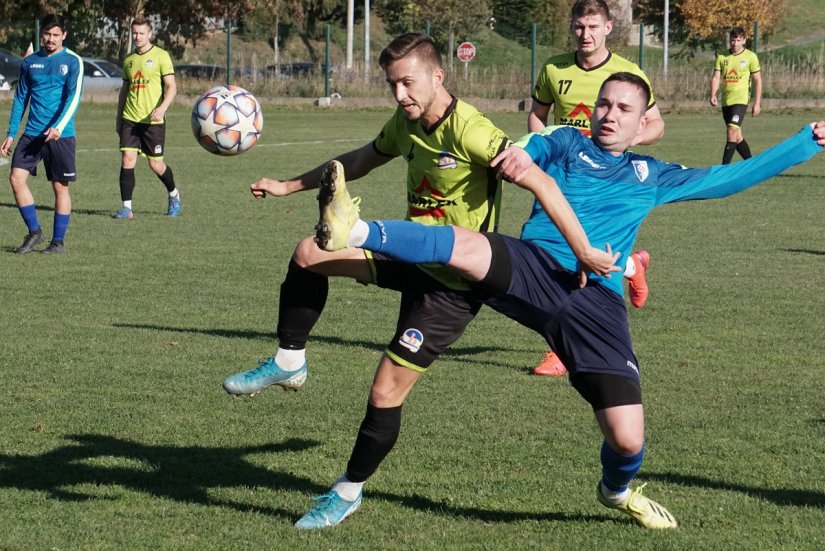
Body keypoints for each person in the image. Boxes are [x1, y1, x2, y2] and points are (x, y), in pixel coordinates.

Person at [314, 72, 825, 529]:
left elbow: (728, 179)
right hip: (536, 268)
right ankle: (355, 227)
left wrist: (806, 141)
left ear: (643, 121)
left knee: (627, 440)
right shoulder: (564, 141)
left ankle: (616, 490)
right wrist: (517, 153)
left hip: (595, 306)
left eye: (624, 109)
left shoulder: (652, 175)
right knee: (466, 247)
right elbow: (524, 150)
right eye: (604, 104)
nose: (609, 115)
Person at [221, 33, 542, 527]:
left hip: (450, 285)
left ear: (438, 76)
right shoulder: (406, 122)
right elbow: (361, 160)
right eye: (392, 85)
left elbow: (535, 175)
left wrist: (574, 245)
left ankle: (348, 492)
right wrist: (288, 185)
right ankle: (289, 360)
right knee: (310, 253)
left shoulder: (472, 130)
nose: (399, 96)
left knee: (384, 392)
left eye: (407, 83)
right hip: (407, 252)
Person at [528, 0, 663, 375]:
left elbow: (655, 125)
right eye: (578, 27)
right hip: (566, 177)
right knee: (552, 251)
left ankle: (561, 349)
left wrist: (622, 144)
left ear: (607, 28)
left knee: (588, 253)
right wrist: (545, 157)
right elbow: (537, 116)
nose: (584, 35)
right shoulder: (554, 68)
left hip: (611, 178)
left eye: (592, 27)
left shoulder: (628, 72)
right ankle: (632, 266)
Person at [1, 14, 83, 254]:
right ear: (41, 35)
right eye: (47, 34)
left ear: (64, 35)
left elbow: (74, 97)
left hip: (61, 134)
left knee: (60, 187)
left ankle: (57, 242)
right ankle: (34, 231)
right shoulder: (29, 63)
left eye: (56, 35)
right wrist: (10, 132)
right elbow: (20, 99)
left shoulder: (73, 61)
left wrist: (58, 126)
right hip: (32, 133)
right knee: (16, 179)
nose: (50, 39)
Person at [113, 17, 180, 219]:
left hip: (153, 121)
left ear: (150, 34)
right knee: (127, 159)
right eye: (134, 33)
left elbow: (172, 87)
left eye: (142, 33)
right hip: (130, 118)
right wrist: (118, 118)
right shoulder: (129, 60)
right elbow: (124, 91)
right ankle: (127, 208)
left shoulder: (161, 56)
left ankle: (174, 194)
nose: (137, 37)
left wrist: (162, 108)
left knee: (156, 165)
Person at [710, 26, 762, 165]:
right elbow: (716, 77)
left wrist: (757, 103)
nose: (735, 43)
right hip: (726, 100)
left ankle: (723, 169)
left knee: (732, 130)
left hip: (741, 100)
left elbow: (757, 80)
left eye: (738, 40)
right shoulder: (721, 56)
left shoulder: (751, 57)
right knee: (737, 136)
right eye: (733, 40)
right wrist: (713, 94)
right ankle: (752, 165)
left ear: (744, 40)